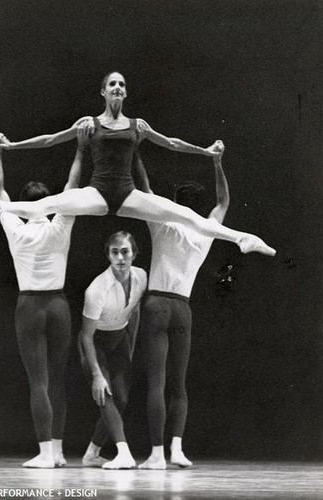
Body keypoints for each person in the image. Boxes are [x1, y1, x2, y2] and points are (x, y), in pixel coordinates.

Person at [0, 71, 276, 257]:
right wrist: (12, 145)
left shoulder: (137, 125)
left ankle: (241, 238)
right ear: (103, 91)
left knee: (183, 215)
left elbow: (171, 143)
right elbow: (49, 140)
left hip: (127, 194)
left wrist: (206, 152)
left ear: (125, 93)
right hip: (98, 192)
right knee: (46, 204)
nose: (117, 88)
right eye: (112, 84)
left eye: (121, 85)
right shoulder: (89, 123)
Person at [0, 132, 85, 468]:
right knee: (57, 379)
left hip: (30, 306)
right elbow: (71, 190)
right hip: (59, 306)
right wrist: (81, 147)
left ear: (25, 204)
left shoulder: (18, 227)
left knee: (39, 382)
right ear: (48, 202)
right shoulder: (60, 225)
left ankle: (45, 453)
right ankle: (56, 452)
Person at [138, 150, 230, 470]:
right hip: (182, 309)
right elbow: (223, 204)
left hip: (158, 305)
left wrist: (137, 149)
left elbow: (145, 190)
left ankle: (155, 454)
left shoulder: (163, 223)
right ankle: (176, 449)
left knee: (157, 383)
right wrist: (217, 163)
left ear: (174, 203)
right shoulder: (206, 229)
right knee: (179, 384)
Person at [79, 231, 147, 469]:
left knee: (122, 399)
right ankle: (124, 452)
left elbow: (135, 312)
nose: (120, 257)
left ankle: (91, 454)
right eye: (114, 252)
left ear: (134, 254)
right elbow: (86, 335)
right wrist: (97, 374)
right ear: (108, 255)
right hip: (95, 342)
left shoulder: (141, 276)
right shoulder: (97, 289)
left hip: (120, 340)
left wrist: (131, 346)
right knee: (105, 394)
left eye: (125, 251)